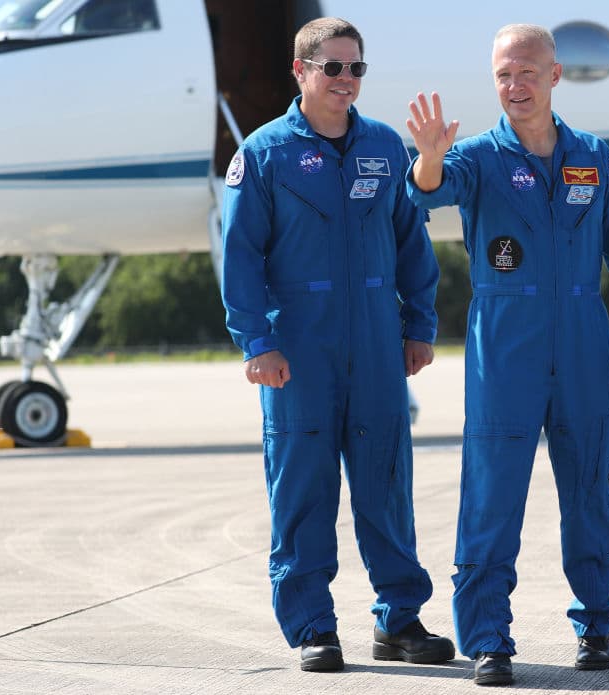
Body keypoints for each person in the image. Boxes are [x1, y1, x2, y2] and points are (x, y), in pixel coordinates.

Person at [405, 23, 609, 686]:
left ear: (554, 76)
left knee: (588, 490)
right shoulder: (480, 158)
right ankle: (489, 638)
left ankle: (596, 625)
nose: (514, 86)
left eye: (525, 73)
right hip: (506, 351)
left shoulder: (592, 157)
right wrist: (428, 156)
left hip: (580, 343)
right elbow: (429, 189)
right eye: (502, 76)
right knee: (492, 496)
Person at [220, 17, 454, 672]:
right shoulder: (264, 155)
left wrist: (419, 326)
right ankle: (312, 626)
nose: (346, 81)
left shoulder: (383, 147)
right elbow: (239, 258)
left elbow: (412, 242)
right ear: (301, 72)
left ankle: (400, 619)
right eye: (333, 68)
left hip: (378, 344)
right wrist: (256, 341)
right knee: (304, 488)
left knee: (387, 484)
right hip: (298, 349)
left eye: (356, 69)